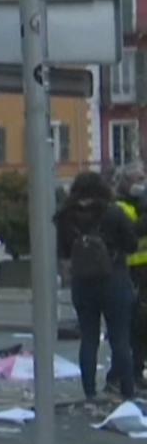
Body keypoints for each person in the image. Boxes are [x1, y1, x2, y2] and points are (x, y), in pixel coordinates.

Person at [55, 171, 139, 401]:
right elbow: (131, 244)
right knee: (120, 338)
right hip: (115, 278)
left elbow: (62, 251)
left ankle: (89, 392)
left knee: (89, 338)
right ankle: (127, 391)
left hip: (82, 283)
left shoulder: (65, 216)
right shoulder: (113, 212)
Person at [106, 168, 147, 390]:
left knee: (141, 326)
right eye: (137, 179)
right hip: (130, 270)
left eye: (143, 178)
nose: (142, 183)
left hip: (143, 270)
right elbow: (131, 234)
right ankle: (120, 374)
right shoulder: (121, 207)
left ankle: (135, 371)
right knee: (130, 326)